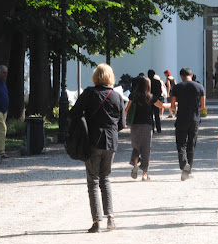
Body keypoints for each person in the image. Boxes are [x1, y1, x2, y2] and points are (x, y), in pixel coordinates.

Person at [69, 63, 125, 233]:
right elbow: (122, 124)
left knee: (93, 181)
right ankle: (111, 218)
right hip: (111, 143)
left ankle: (96, 222)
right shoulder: (116, 97)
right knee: (105, 178)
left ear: (96, 77)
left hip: (92, 141)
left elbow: (74, 113)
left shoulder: (89, 94)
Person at [125, 76, 168, 181]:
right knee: (146, 149)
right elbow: (162, 106)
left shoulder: (133, 96)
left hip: (135, 125)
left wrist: (125, 120)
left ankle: (135, 165)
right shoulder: (150, 97)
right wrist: (174, 104)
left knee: (136, 147)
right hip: (147, 125)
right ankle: (144, 174)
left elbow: (126, 110)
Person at [170, 67, 206, 181]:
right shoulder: (200, 87)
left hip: (181, 118)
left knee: (181, 143)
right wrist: (196, 109)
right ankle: (188, 170)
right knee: (191, 144)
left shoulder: (177, 87)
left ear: (181, 76)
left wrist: (176, 110)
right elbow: (203, 106)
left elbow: (172, 105)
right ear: (191, 75)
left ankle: (183, 163)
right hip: (194, 119)